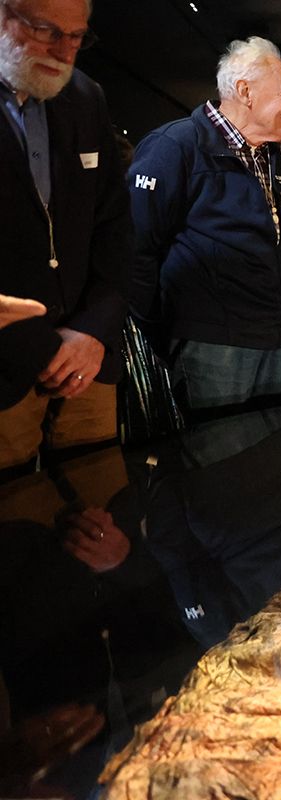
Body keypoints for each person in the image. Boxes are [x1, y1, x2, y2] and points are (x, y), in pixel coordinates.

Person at [128, 37, 281, 411]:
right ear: (245, 91)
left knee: (272, 461)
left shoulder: (271, 155)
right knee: (219, 462)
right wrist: (162, 335)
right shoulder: (174, 147)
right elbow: (137, 250)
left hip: (272, 338)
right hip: (212, 344)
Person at [0, 0, 130, 472]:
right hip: (8, 365)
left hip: (86, 365)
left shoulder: (85, 96)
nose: (66, 49)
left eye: (79, 35)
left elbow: (115, 229)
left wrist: (94, 331)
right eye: (47, 31)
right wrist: (39, 342)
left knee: (96, 509)